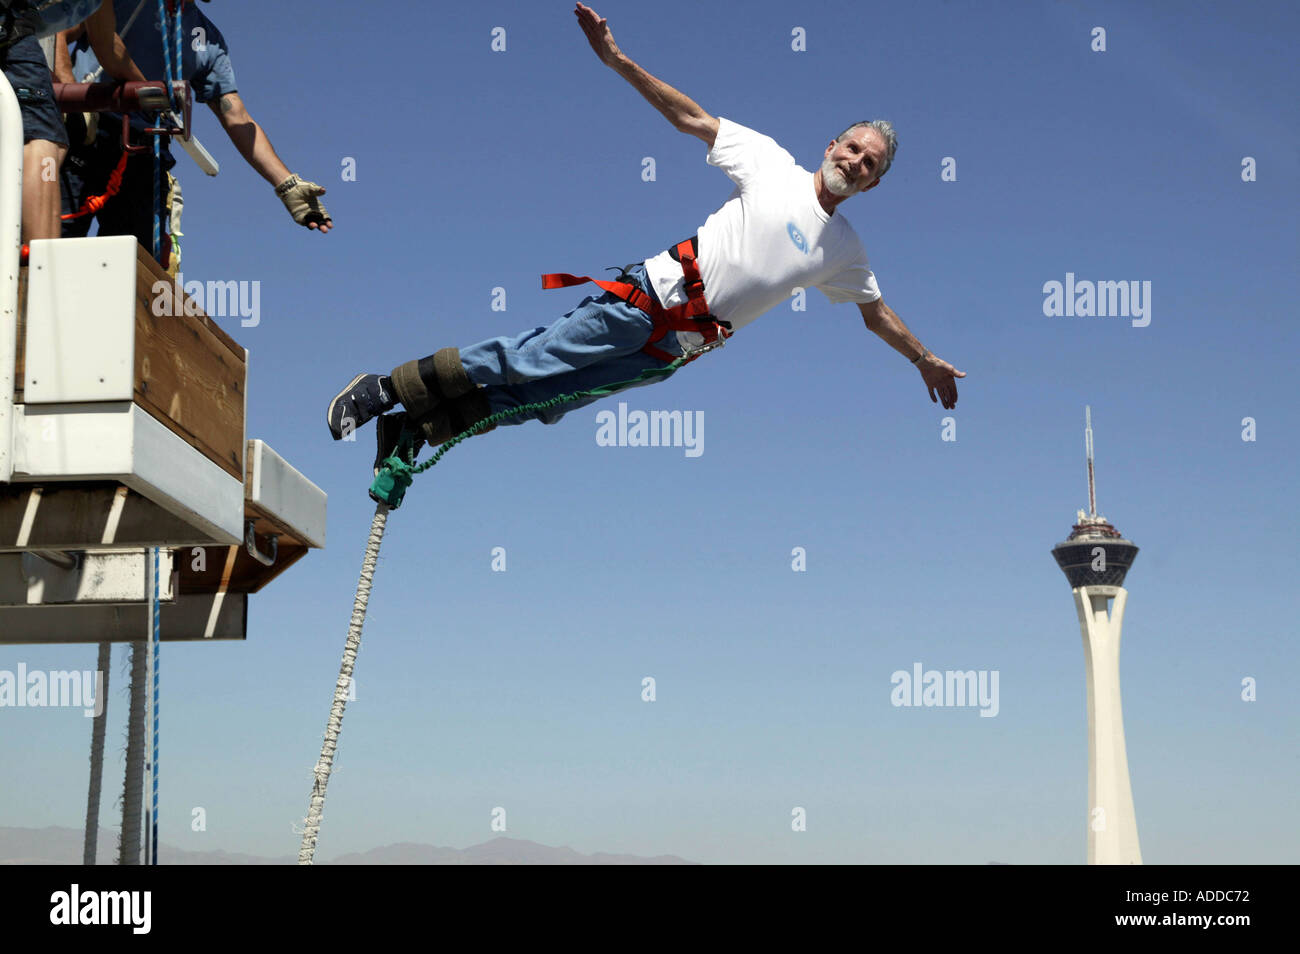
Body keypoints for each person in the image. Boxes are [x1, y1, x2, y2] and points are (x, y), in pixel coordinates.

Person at [327, 2, 964, 450]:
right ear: (831, 145)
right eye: (852, 148)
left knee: (545, 403)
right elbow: (691, 118)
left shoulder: (844, 251)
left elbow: (876, 314)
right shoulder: (771, 162)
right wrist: (616, 60)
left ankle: (418, 428)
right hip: (649, 301)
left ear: (873, 184)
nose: (854, 161)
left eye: (868, 163)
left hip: (674, 351)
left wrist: (925, 361)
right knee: (529, 360)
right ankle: (384, 388)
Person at [58, 0, 330, 266]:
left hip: (144, 152)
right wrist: (69, 96)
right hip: (84, 135)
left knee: (131, 270)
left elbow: (236, 115)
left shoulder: (207, 41)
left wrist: (286, 184)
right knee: (51, 247)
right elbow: (58, 30)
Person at [1, 0, 143, 241]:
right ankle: (38, 264)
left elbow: (107, 46)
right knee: (43, 141)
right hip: (9, 26)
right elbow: (105, 44)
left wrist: (149, 89)